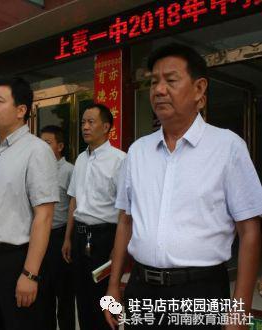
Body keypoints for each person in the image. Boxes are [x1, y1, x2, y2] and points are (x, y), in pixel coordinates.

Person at [105, 43, 262, 330]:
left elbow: (249, 231)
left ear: (199, 89)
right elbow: (125, 222)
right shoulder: (137, 152)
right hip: (142, 288)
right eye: (154, 81)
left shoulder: (228, 147)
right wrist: (113, 286)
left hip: (200, 292)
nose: (159, 89)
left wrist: (239, 310)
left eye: (171, 80)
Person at [0, 76, 59, 330]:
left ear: (21, 110)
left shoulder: (37, 151)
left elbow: (44, 216)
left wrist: (30, 274)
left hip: (18, 261)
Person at [61, 104, 125, 330]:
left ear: (106, 126)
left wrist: (118, 247)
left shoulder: (120, 160)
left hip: (104, 237)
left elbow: (125, 210)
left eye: (91, 122)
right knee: (84, 298)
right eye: (83, 123)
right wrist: (68, 238)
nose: (85, 127)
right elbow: (74, 200)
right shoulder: (80, 159)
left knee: (106, 299)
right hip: (80, 236)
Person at [39, 125, 75, 330]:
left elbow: (73, 205)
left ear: (60, 146)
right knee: (43, 293)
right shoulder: (37, 167)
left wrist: (68, 238)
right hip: (39, 237)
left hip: (60, 237)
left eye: (48, 143)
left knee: (64, 293)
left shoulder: (69, 170)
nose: (43, 148)